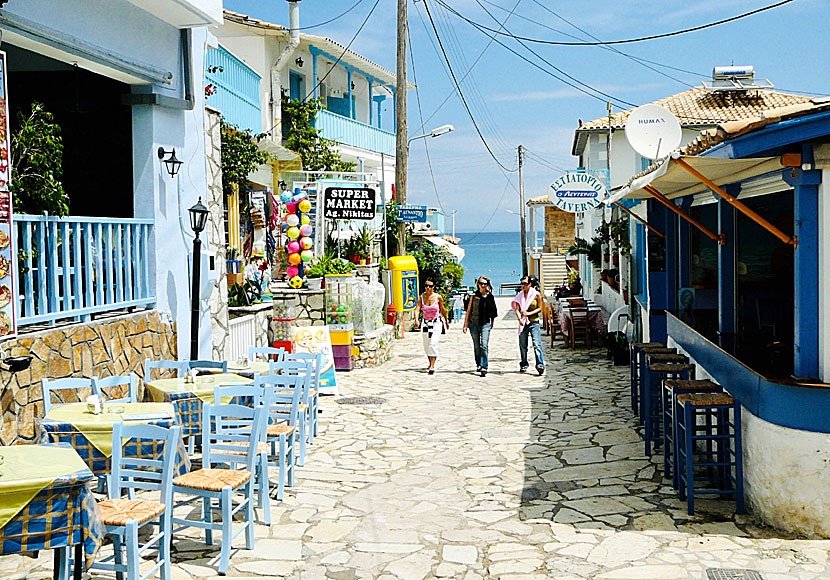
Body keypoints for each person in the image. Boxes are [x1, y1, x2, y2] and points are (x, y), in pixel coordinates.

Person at [462, 276, 498, 377]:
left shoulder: (490, 296)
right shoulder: (473, 296)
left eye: (485, 284)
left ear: (487, 285)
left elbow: (493, 311)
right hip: (473, 323)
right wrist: (465, 325)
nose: (483, 285)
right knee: (477, 346)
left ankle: (484, 366)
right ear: (478, 284)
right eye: (481, 283)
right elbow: (468, 310)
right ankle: (478, 363)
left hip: (485, 323)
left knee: (484, 345)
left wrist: (492, 322)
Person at [413, 279, 449, 375]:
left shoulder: (438, 297)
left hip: (436, 322)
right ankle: (430, 362)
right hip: (425, 323)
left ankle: (432, 365)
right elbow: (417, 309)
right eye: (426, 286)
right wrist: (416, 320)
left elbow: (442, 309)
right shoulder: (422, 297)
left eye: (430, 286)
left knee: (433, 343)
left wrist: (446, 320)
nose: (427, 288)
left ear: (434, 287)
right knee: (426, 344)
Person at [512, 275, 545, 375]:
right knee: (523, 345)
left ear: (530, 284)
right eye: (522, 284)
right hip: (523, 323)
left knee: (536, 344)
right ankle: (524, 363)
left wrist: (529, 313)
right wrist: (519, 319)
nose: (523, 286)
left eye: (525, 284)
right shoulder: (520, 296)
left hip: (534, 322)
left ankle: (540, 364)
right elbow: (517, 309)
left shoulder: (536, 294)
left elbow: (540, 308)